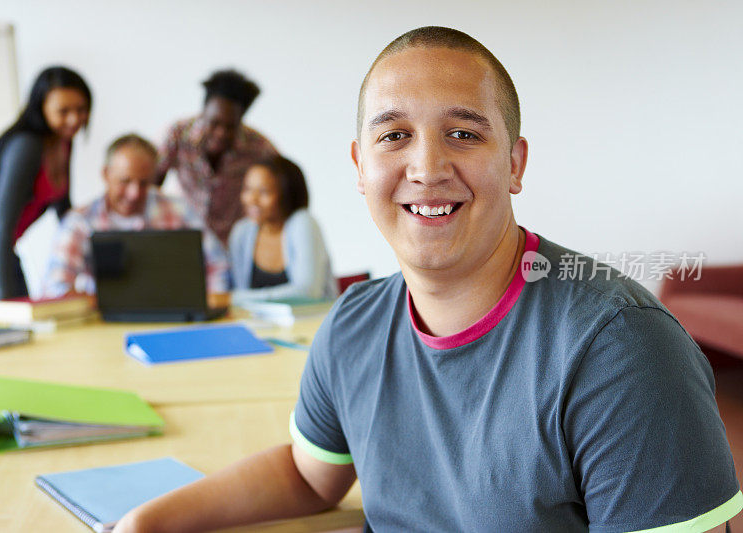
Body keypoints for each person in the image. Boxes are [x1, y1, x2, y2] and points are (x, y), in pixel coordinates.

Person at [115, 27, 741, 533]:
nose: (427, 167)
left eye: (463, 134)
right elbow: (310, 476)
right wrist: (149, 520)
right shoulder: (353, 324)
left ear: (515, 163)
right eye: (394, 136)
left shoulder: (620, 349)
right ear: (361, 166)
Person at [0, 66, 91, 312]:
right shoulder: (26, 145)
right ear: (41, 107)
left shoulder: (62, 143)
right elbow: (1, 225)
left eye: (81, 109)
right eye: (63, 111)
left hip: (0, 248)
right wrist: (6, 303)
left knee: (26, 328)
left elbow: (64, 212)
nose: (74, 119)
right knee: (2, 331)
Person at [42, 133, 229, 304]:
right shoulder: (80, 222)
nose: (134, 193)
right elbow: (55, 287)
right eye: (125, 181)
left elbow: (218, 264)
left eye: (144, 183)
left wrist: (209, 304)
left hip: (171, 316)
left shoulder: (178, 209)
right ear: (106, 174)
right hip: (102, 322)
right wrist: (94, 303)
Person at [155, 69, 277, 245]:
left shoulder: (258, 147)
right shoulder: (178, 135)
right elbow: (151, 182)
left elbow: (282, 186)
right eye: (215, 123)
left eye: (230, 126)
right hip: (182, 238)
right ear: (203, 111)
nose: (221, 133)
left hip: (232, 243)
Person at [228, 155, 337, 303]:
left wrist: (234, 298)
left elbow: (309, 292)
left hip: (312, 322)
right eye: (247, 189)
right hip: (260, 324)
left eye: (264, 192)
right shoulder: (241, 232)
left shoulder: (302, 223)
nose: (252, 199)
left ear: (287, 194)